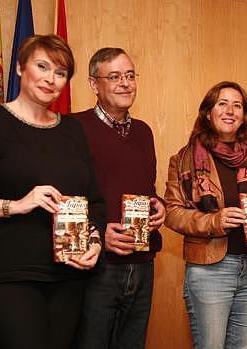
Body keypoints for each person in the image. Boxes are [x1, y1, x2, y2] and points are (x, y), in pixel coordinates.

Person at [0, 35, 104, 349]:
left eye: (60, 72)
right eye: (42, 66)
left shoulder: (73, 131)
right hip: (7, 271)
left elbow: (92, 200)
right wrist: (17, 205)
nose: (50, 78)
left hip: (69, 273)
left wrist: (95, 240)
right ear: (19, 67)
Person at [164, 81, 247, 349]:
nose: (230, 110)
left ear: (244, 116)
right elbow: (171, 213)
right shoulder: (184, 159)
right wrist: (213, 221)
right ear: (208, 112)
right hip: (210, 269)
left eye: (237, 105)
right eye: (222, 103)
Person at [71, 47, 165, 349]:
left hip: (143, 263)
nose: (125, 83)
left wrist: (158, 206)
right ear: (93, 84)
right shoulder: (73, 128)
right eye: (114, 76)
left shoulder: (143, 132)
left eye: (130, 75)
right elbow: (62, 198)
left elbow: (146, 189)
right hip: (96, 266)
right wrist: (95, 234)